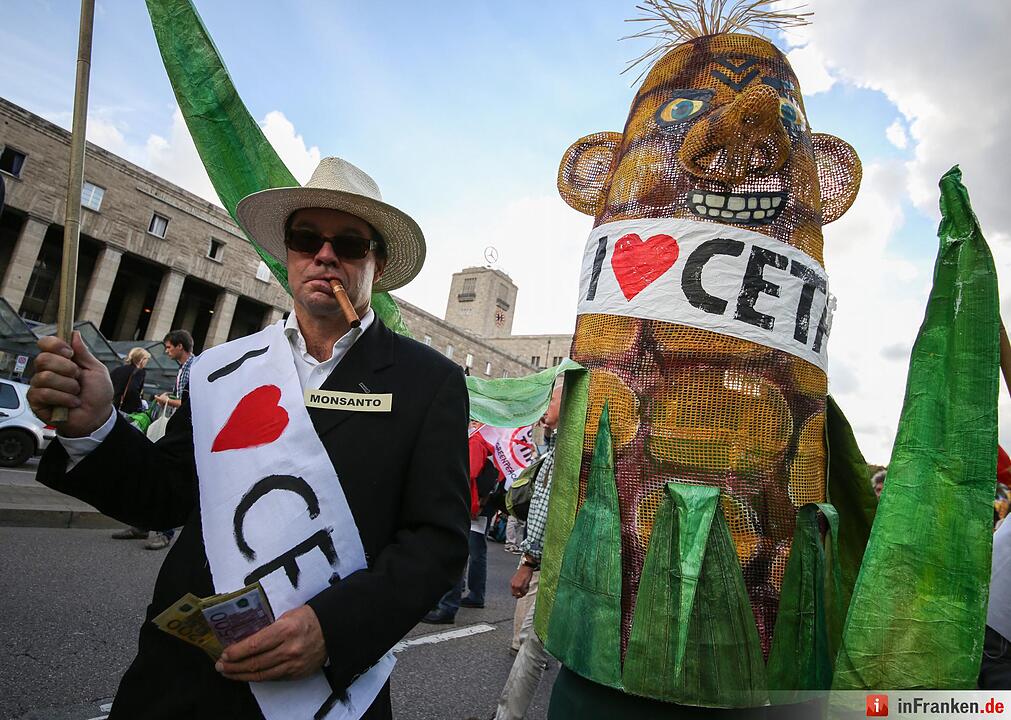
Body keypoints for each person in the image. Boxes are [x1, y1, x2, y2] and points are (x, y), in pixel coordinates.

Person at [27, 156, 470, 719]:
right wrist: (97, 428)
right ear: (286, 254)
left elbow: (438, 541)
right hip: (184, 680)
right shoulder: (223, 369)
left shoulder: (428, 382)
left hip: (323, 691)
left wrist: (332, 629)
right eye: (306, 237)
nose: (325, 255)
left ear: (376, 267)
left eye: (350, 245)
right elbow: (165, 494)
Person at [494, 383, 562, 720]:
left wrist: (529, 561)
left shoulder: (562, 454)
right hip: (559, 565)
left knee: (533, 648)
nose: (546, 405)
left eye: (552, 399)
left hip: (553, 565)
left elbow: (542, 510)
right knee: (535, 646)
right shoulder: (557, 448)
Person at [422, 423, 497, 624]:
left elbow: (468, 472)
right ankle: (453, 600)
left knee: (455, 553)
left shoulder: (475, 439)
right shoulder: (481, 438)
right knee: (466, 551)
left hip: (467, 504)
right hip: (472, 504)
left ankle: (447, 606)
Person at [142, 330, 196, 550]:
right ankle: (143, 522)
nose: (166, 351)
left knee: (171, 479)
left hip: (182, 433)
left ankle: (165, 531)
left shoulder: (194, 367)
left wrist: (165, 400)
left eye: (168, 347)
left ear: (180, 347)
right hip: (174, 428)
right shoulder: (184, 369)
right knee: (154, 474)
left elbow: (190, 403)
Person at [110, 348, 151, 415]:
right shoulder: (139, 372)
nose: (146, 362)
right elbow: (132, 390)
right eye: (146, 359)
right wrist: (140, 405)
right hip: (125, 409)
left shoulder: (118, 369)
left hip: (111, 407)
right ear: (142, 359)